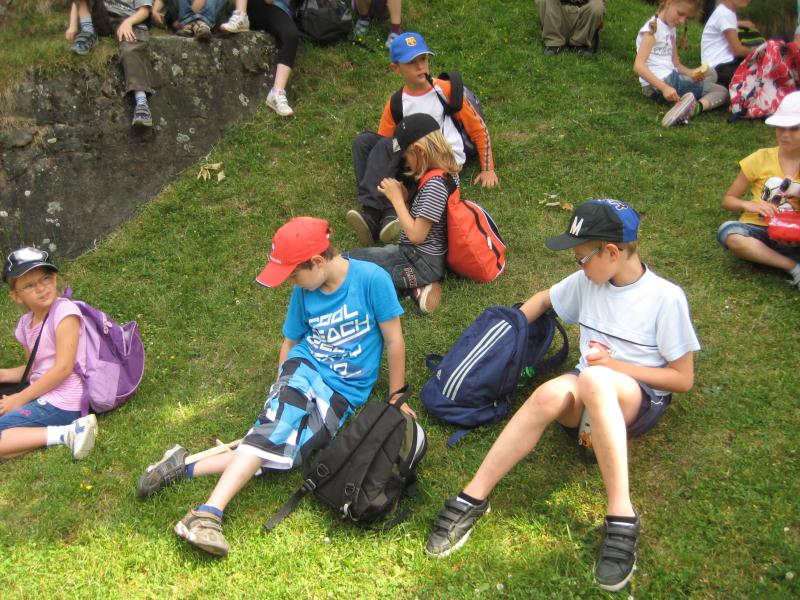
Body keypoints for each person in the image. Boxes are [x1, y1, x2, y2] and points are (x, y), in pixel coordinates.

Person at [424, 199, 700, 593]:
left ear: (612, 252)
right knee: (547, 396)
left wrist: (614, 367)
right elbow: (543, 300)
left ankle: (622, 515)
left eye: (581, 258)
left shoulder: (665, 298)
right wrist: (507, 336)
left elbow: (682, 379)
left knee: (596, 380)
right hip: (587, 391)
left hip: (633, 398)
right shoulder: (588, 281)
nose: (578, 267)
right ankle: (472, 497)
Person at [136, 217, 410, 556]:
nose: (291, 282)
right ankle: (207, 514)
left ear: (317, 262)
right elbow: (290, 341)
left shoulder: (372, 280)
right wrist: (281, 386)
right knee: (277, 429)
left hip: (343, 393)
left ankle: (184, 465)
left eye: (293, 274)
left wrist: (397, 397)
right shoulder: (303, 292)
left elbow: (394, 340)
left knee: (289, 456)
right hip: (304, 368)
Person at [348, 32, 497, 247]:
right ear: (396, 68)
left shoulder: (446, 90)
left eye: (424, 59)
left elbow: (478, 129)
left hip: (442, 164)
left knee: (386, 147)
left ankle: (382, 213)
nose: (420, 67)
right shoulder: (396, 102)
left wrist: (487, 168)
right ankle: (375, 216)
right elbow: (385, 147)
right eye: (412, 62)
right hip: (414, 159)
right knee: (364, 143)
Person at [349, 114, 458, 315]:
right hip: (422, 258)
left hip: (418, 260)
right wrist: (407, 198)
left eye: (406, 156)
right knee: (372, 266)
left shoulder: (435, 185)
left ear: (420, 151)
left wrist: (397, 200)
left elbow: (417, 236)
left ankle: (415, 283)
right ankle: (414, 289)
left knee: (349, 262)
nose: (405, 162)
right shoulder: (448, 174)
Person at [0, 247, 99, 461]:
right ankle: (20, 438)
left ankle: (69, 432)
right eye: (29, 285)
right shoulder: (25, 323)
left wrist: (19, 399)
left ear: (54, 278)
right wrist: (4, 374)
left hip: (64, 402)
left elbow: (63, 368)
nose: (41, 288)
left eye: (45, 278)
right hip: (43, 395)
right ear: (16, 296)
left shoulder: (64, 312)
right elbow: (34, 369)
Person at [717, 91, 800, 289]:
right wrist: (750, 205)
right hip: (759, 229)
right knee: (730, 233)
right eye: (780, 127)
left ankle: (774, 257)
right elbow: (728, 200)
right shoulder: (761, 157)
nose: (785, 134)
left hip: (795, 233)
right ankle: (792, 266)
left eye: (794, 128)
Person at [634, 0, 729, 128]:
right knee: (722, 91)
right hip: (658, 86)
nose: (682, 21)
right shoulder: (652, 30)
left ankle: (688, 99)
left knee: (711, 73)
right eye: (680, 13)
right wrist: (664, 88)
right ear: (669, 3)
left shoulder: (670, 28)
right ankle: (692, 109)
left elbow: (676, 64)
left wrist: (692, 74)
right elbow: (638, 66)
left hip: (671, 78)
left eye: (686, 18)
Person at [66, 0, 156, 128]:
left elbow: (145, 10)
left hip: (129, 19)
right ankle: (88, 31)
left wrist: (128, 22)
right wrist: (73, 25)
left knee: (130, 50)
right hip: (102, 16)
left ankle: (141, 102)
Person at [217, 0, 300, 116]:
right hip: (251, 6)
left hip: (278, 10)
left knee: (291, 35)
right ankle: (240, 15)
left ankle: (277, 93)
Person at [701, 0, 753, 89]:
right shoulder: (725, 13)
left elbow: (725, 22)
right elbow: (737, 50)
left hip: (720, 65)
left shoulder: (724, 11)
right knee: (757, 77)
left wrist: (738, 23)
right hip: (718, 69)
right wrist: (758, 50)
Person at [534, 0, 605, 57]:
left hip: (582, 15)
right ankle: (554, 42)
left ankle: (581, 44)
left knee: (597, 6)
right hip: (558, 12)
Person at [152, 0, 226, 39]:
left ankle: (192, 24)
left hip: (209, 14)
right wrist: (155, 11)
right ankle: (200, 26)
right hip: (182, 14)